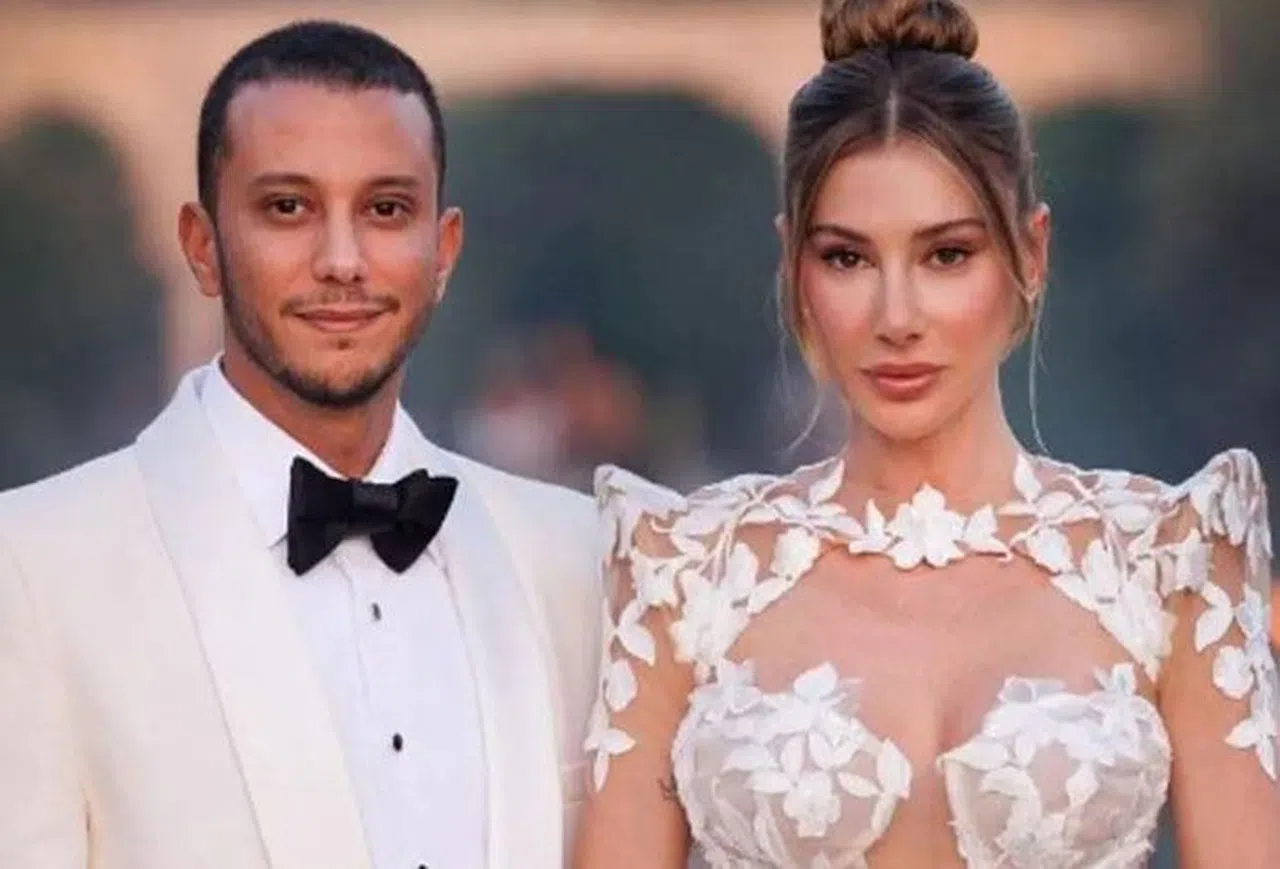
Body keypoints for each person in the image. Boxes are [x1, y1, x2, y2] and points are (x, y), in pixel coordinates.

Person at [573, 1, 1280, 866]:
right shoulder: (680, 570)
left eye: (947, 255)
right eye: (847, 257)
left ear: (1031, 254)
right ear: (793, 265)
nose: (897, 317)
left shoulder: (1174, 564)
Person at [0, 20, 600, 869]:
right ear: (203, 247)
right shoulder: (32, 567)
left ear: (443, 250)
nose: (342, 260)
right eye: (288, 208)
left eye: (386, 209)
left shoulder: (575, 557)